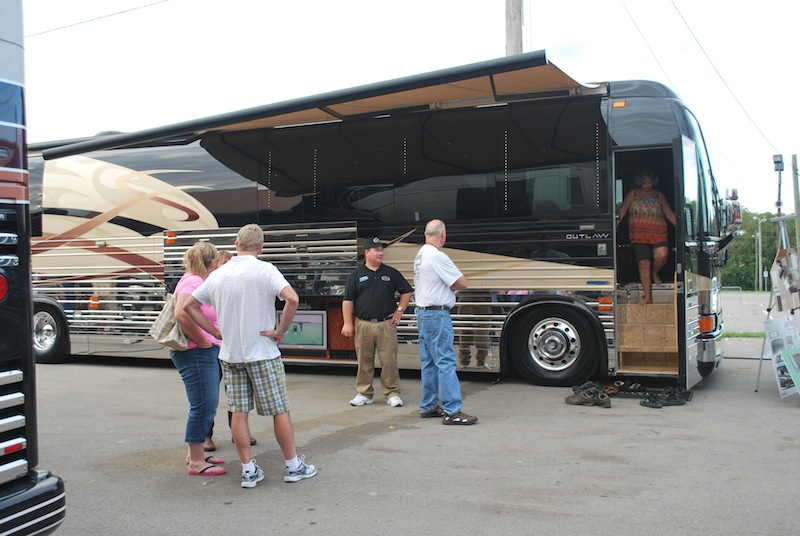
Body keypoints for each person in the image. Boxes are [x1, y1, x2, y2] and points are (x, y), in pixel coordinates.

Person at [184, 224, 317, 488]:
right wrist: (281, 331)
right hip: (263, 352)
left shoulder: (219, 274)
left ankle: (248, 470)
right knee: (279, 410)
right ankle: (292, 466)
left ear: (236, 243)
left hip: (231, 354)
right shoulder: (265, 269)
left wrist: (216, 332)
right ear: (260, 247)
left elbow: (190, 306)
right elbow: (292, 298)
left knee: (239, 412)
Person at [413, 219, 478, 425]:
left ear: (426, 234)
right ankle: (452, 411)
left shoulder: (420, 255)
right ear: (443, 235)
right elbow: (462, 283)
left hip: (423, 314)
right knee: (446, 362)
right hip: (437, 315)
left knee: (429, 363)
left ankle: (429, 405)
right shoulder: (438, 256)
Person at [171, 241, 226, 476]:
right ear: (211, 261)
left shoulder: (192, 279)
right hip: (197, 352)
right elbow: (181, 313)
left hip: (200, 351)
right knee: (204, 405)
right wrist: (203, 341)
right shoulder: (194, 281)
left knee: (205, 404)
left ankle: (197, 454)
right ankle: (196, 461)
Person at [341, 237, 413, 407]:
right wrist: (347, 323)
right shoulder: (356, 275)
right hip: (363, 324)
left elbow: (407, 292)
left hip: (386, 325)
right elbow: (347, 300)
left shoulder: (391, 273)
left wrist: (400, 311)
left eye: (381, 250)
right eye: (376, 250)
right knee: (364, 360)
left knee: (389, 361)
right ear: (367, 253)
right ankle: (364, 393)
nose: (380, 253)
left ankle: (392, 393)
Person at [202, 249, 258, 452]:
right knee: (210, 395)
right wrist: (212, 334)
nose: (226, 267)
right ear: (215, 266)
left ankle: (239, 433)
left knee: (237, 394)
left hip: (233, 346)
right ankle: (206, 436)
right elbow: (189, 309)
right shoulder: (210, 285)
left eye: (229, 263)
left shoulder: (236, 286)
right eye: (222, 263)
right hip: (213, 346)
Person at [617, 170, 677, 304]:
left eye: (649, 183)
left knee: (662, 255)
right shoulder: (632, 194)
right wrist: (615, 224)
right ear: (639, 183)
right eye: (644, 183)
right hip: (638, 234)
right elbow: (623, 210)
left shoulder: (658, 195)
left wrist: (682, 228)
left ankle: (655, 272)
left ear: (653, 182)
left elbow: (669, 213)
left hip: (658, 232)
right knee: (643, 264)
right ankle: (647, 296)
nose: (646, 186)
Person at [456, 291, 492, 369]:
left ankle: (464, 361)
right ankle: (481, 362)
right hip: (481, 298)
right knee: (482, 331)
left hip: (464, 298)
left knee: (465, 331)